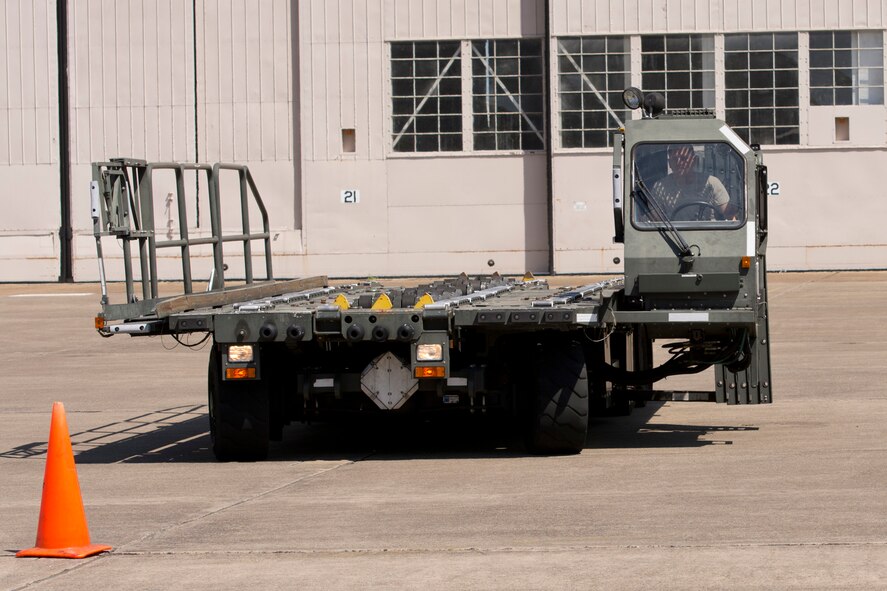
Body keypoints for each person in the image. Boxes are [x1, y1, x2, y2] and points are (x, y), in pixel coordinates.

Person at [648, 145, 736, 221]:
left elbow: (730, 217)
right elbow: (656, 220)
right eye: (675, 159)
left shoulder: (711, 183)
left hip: (709, 234)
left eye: (684, 158)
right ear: (670, 163)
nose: (679, 163)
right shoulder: (660, 187)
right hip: (675, 235)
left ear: (694, 160)